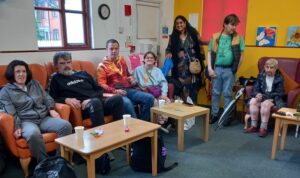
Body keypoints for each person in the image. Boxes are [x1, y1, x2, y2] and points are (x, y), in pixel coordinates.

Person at [0, 60, 72, 163]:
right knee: (33, 134)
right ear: (12, 73)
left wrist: (51, 109)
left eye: (24, 71)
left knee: (66, 126)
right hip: (26, 121)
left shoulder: (35, 84)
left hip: (44, 118)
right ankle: (44, 163)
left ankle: (60, 160)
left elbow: (47, 98)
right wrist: (17, 127)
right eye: (18, 71)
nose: (21, 74)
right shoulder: (5, 91)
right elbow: (10, 112)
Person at [48, 52, 124, 127]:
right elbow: (51, 98)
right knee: (95, 102)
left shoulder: (83, 74)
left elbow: (99, 89)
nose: (66, 65)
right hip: (83, 108)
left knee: (117, 98)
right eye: (62, 63)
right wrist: (66, 99)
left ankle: (119, 131)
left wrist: (91, 99)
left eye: (68, 62)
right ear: (56, 65)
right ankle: (101, 135)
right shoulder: (56, 78)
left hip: (96, 102)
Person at [97, 39, 154, 121]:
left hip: (128, 89)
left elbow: (127, 74)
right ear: (106, 50)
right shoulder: (102, 66)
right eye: (111, 49)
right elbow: (101, 85)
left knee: (149, 98)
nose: (114, 51)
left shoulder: (121, 60)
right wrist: (116, 91)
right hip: (115, 93)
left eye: (116, 49)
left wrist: (132, 78)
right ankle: (136, 127)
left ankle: (143, 124)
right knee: (127, 103)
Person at [207, 14, 245, 125]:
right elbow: (209, 53)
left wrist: (235, 69)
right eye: (232, 25)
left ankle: (226, 117)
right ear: (225, 24)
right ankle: (214, 115)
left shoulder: (238, 37)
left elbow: (241, 55)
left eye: (235, 25)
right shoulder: (215, 36)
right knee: (215, 93)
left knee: (228, 94)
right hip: (217, 69)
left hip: (230, 70)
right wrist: (209, 68)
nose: (234, 27)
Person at [165, 15, 205, 103]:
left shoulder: (194, 34)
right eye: (177, 24)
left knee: (192, 91)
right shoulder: (173, 37)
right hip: (178, 69)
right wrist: (168, 53)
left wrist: (201, 63)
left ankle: (192, 114)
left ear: (185, 23)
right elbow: (168, 48)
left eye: (181, 23)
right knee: (180, 92)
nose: (179, 25)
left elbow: (200, 47)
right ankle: (181, 114)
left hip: (192, 68)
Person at [245, 59, 286, 137]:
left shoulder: (280, 78)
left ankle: (263, 128)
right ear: (264, 67)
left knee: (265, 104)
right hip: (262, 97)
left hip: (274, 99)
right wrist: (257, 94)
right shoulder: (261, 76)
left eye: (271, 68)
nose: (268, 70)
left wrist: (265, 97)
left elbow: (280, 93)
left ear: (276, 68)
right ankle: (253, 126)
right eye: (267, 67)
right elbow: (255, 88)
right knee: (253, 101)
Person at [133, 51, 170, 127]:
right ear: (144, 60)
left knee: (167, 101)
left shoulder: (158, 70)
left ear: (154, 60)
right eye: (147, 57)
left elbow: (164, 83)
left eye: (151, 58)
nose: (149, 59)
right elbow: (134, 81)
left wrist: (164, 94)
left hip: (157, 92)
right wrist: (134, 81)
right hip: (146, 93)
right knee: (155, 102)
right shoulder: (138, 70)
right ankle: (159, 122)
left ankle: (162, 120)